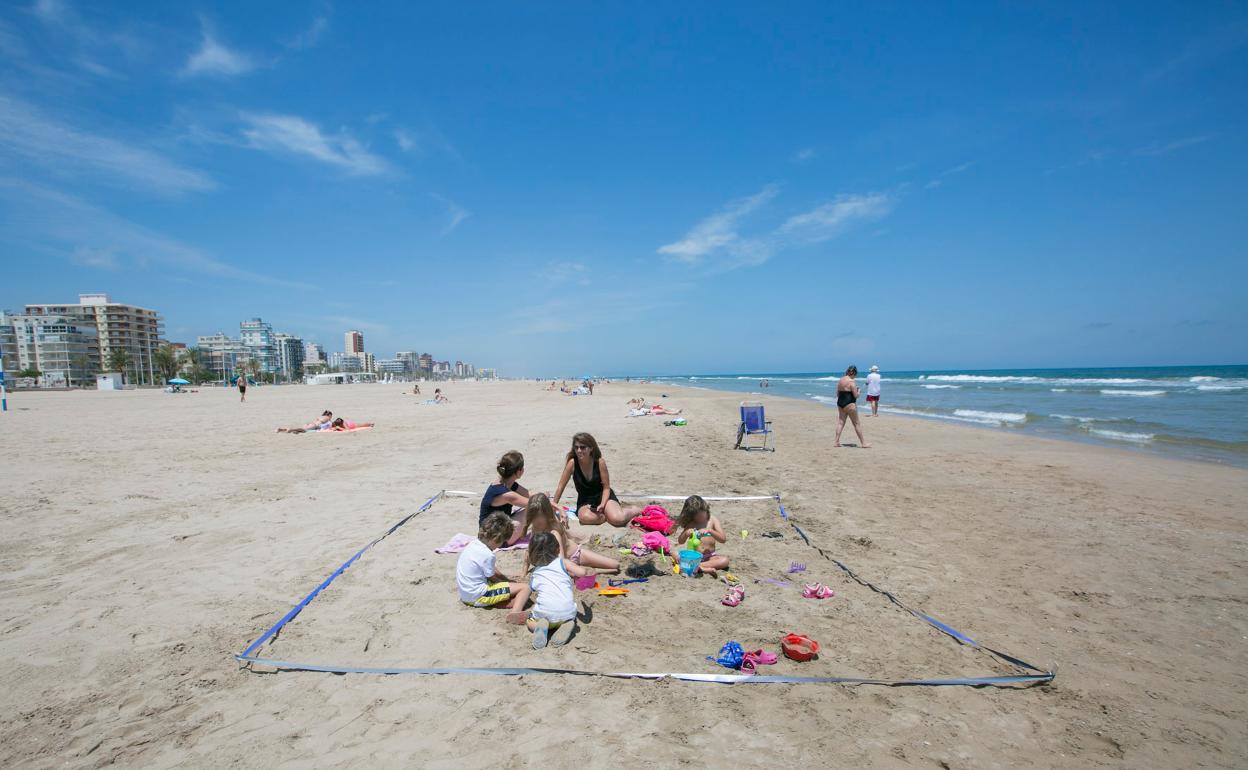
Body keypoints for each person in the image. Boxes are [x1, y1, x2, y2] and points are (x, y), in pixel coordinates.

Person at [456, 511, 531, 624]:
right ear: (496, 539)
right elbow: (493, 578)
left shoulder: (473, 544)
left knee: (515, 597)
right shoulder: (488, 555)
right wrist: (507, 582)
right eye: (502, 542)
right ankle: (514, 614)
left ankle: (504, 603)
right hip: (479, 595)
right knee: (525, 588)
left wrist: (506, 580)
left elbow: (491, 569)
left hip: (465, 594)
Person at [552, 432, 640, 527]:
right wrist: (553, 507)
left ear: (591, 448)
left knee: (618, 519)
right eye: (576, 447)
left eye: (582, 447)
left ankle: (635, 510)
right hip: (585, 500)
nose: (579, 450)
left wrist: (602, 504)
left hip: (603, 496)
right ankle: (606, 516)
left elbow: (606, 487)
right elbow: (560, 487)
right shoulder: (572, 463)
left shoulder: (599, 462)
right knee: (585, 518)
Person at [521, 493, 620, 574]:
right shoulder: (535, 527)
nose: (537, 520)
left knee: (615, 565)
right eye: (534, 517)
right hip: (563, 562)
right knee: (528, 551)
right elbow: (528, 555)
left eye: (540, 516)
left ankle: (595, 571)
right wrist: (524, 573)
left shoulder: (554, 531)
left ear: (547, 514)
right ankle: (586, 570)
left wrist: (560, 508)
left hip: (574, 555)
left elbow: (561, 559)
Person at [524, 532, 588, 649]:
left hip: (546, 614)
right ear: (558, 549)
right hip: (567, 613)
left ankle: (540, 627)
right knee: (564, 614)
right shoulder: (563, 562)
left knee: (530, 621)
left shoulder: (536, 572)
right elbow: (582, 572)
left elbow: (532, 588)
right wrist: (575, 574)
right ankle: (566, 624)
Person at [480, 451, 530, 544]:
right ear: (518, 472)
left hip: (490, 532)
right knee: (532, 509)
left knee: (529, 508)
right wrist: (557, 507)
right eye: (522, 468)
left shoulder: (505, 483)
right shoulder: (507, 495)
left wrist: (543, 495)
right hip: (494, 539)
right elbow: (535, 503)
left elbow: (529, 494)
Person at [673, 495, 729, 577]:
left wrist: (710, 530)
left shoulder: (712, 520)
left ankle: (699, 567)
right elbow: (680, 541)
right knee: (674, 553)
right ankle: (700, 567)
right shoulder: (692, 524)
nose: (701, 518)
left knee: (725, 561)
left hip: (710, 557)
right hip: (694, 556)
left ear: (706, 509)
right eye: (697, 516)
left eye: (702, 515)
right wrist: (686, 533)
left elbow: (723, 539)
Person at [834, 365, 870, 448]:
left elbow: (837, 393)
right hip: (850, 403)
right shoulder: (851, 382)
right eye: (855, 374)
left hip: (840, 403)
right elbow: (856, 396)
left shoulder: (841, 380)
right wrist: (859, 391)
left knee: (841, 422)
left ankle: (836, 442)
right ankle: (863, 443)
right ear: (853, 373)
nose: (855, 376)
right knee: (856, 423)